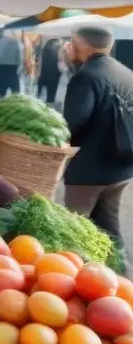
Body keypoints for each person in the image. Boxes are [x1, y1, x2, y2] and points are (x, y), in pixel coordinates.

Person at [62, 25, 133, 271]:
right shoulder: (126, 72)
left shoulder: (86, 77)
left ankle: (74, 282)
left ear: (80, 45)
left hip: (89, 171)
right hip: (121, 167)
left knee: (73, 231)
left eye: (71, 42)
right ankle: (122, 277)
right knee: (110, 227)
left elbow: (73, 123)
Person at [36, 38, 63, 105]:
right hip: (53, 76)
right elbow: (60, 61)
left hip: (44, 74)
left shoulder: (44, 50)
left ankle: (38, 105)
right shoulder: (58, 51)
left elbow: (40, 62)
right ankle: (48, 106)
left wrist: (38, 72)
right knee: (51, 96)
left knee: (39, 93)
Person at [0, 31, 22, 97]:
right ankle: (15, 96)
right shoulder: (15, 41)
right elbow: (18, 55)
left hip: (2, 65)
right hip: (13, 66)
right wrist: (19, 63)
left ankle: (2, 96)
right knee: (14, 85)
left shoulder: (1, 41)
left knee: (2, 84)